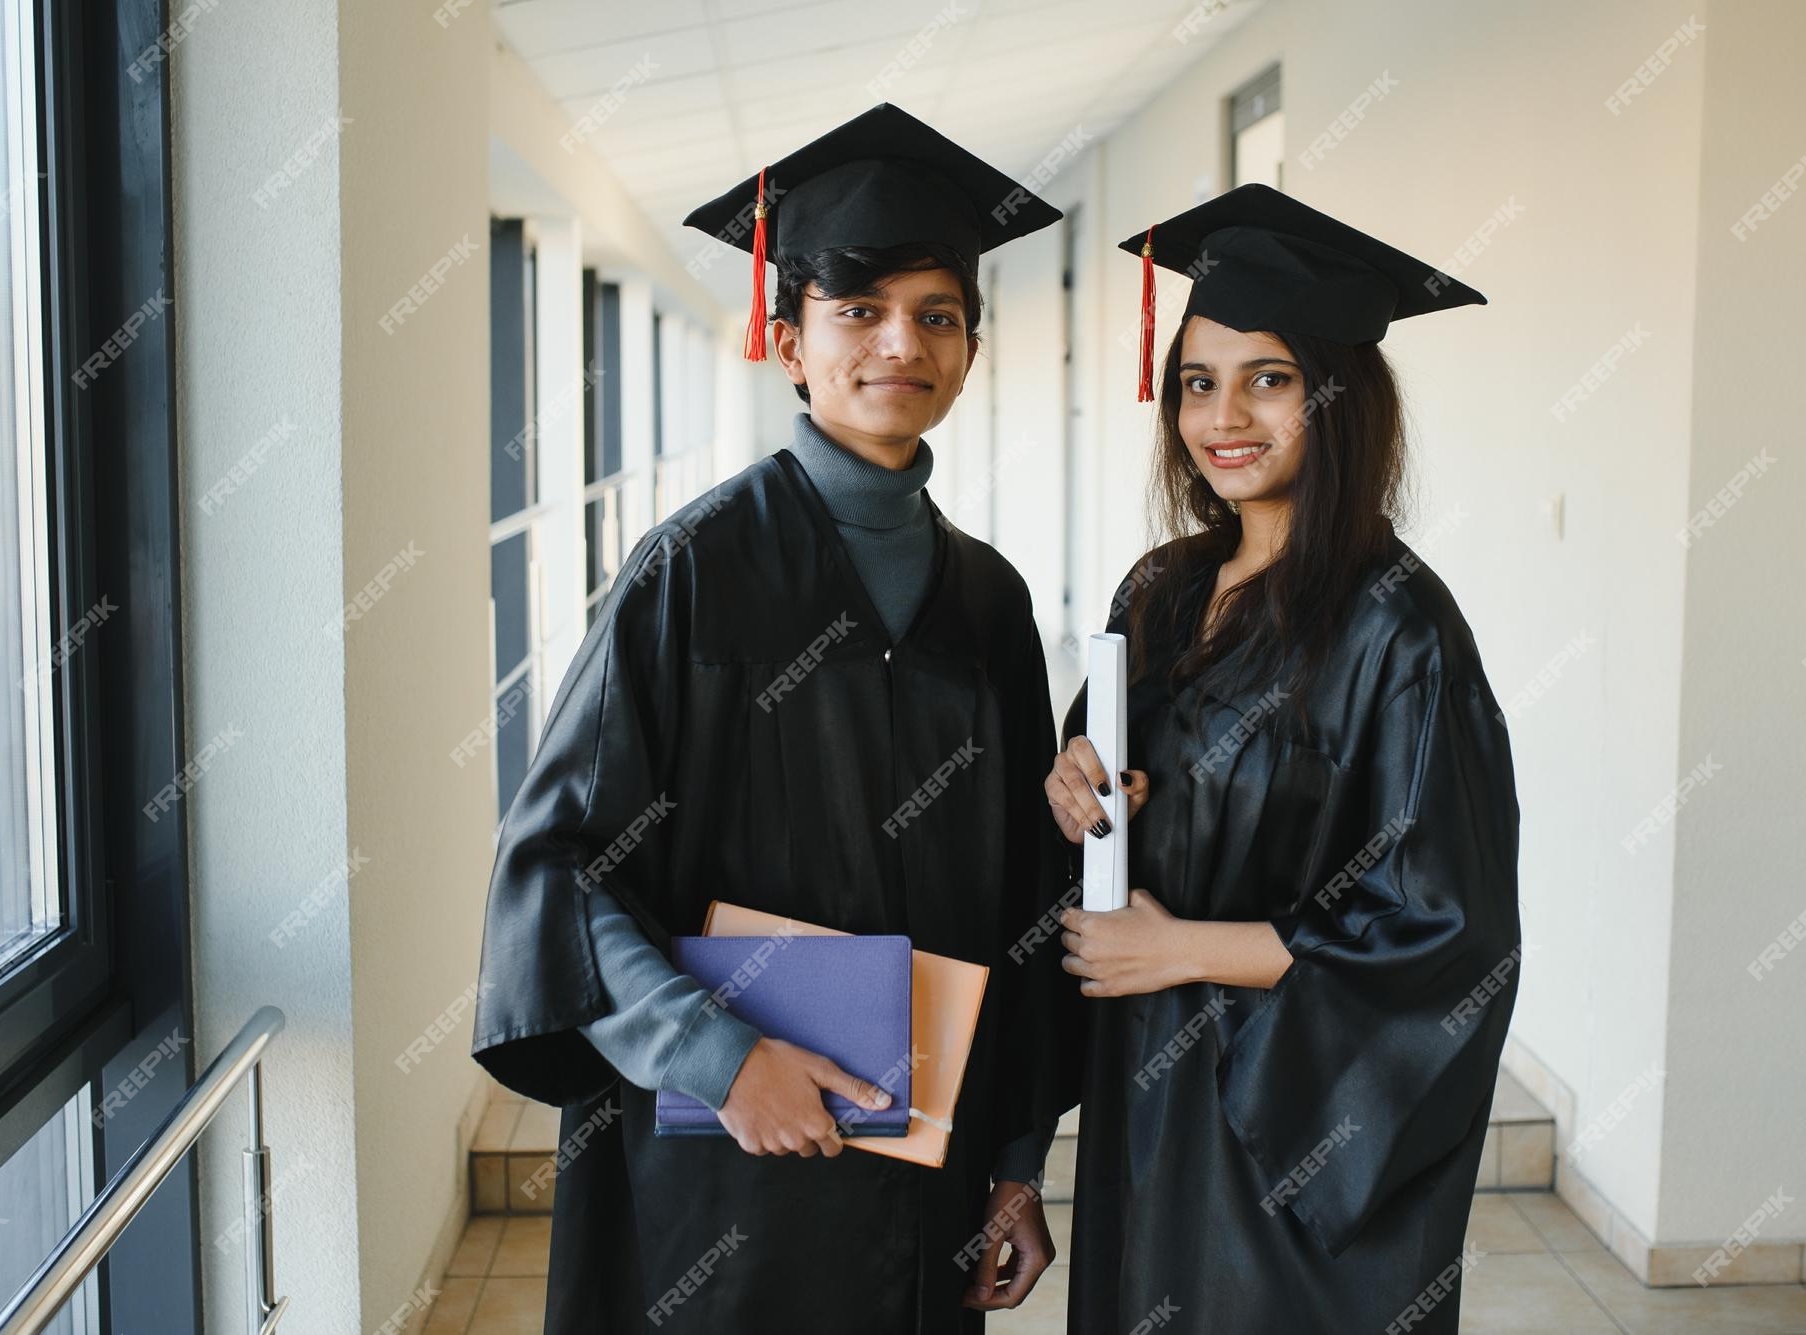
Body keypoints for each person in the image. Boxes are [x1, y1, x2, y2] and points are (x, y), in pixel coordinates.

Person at [471, 103, 1074, 1333]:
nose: (899, 342)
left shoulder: (989, 599)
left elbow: (1025, 898)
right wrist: (719, 1056)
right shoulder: (691, 572)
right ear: (788, 341)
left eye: (936, 314)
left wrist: (1017, 1159)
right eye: (858, 310)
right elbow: (560, 868)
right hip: (725, 1166)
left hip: (929, 1162)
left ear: (968, 347)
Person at [1040, 183, 1522, 1334]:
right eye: (1197, 382)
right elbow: (1098, 789)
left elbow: (1450, 933)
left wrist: (1175, 951)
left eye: (1269, 378)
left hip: (1291, 1119)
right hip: (1145, 1083)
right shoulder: (1158, 590)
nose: (1223, 417)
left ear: (1338, 398)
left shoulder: (1396, 626)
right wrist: (1074, 783)